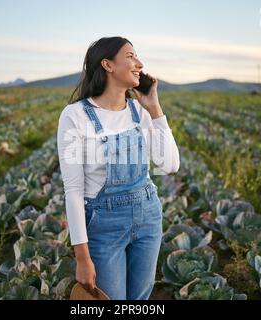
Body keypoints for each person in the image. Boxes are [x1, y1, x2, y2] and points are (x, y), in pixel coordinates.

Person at [57, 36, 180, 300]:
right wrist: (82, 257)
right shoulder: (75, 115)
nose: (139, 63)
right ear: (108, 65)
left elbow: (170, 165)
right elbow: (74, 190)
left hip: (148, 217)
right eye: (130, 56)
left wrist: (155, 108)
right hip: (104, 224)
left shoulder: (140, 110)